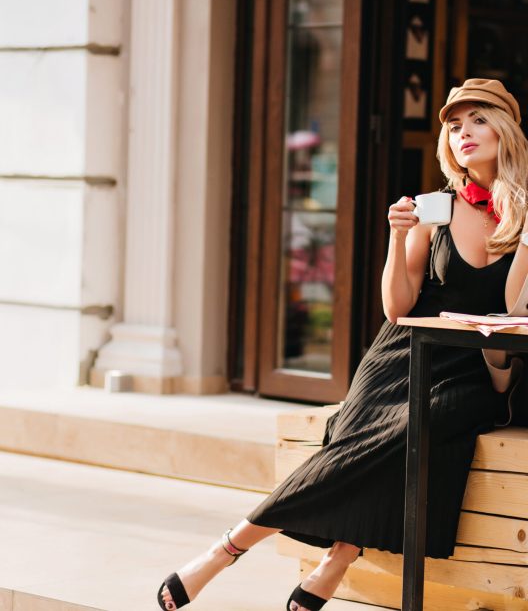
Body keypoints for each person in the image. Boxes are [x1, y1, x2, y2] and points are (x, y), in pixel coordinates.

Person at [157, 78, 528, 611]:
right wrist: (397, 235)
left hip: (474, 366)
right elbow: (397, 308)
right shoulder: (434, 208)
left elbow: (515, 303)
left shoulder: (522, 211)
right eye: (453, 125)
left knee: (421, 425)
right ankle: (288, 554)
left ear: (506, 129)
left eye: (478, 120)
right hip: (404, 353)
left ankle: (243, 549)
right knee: (367, 433)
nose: (463, 133)